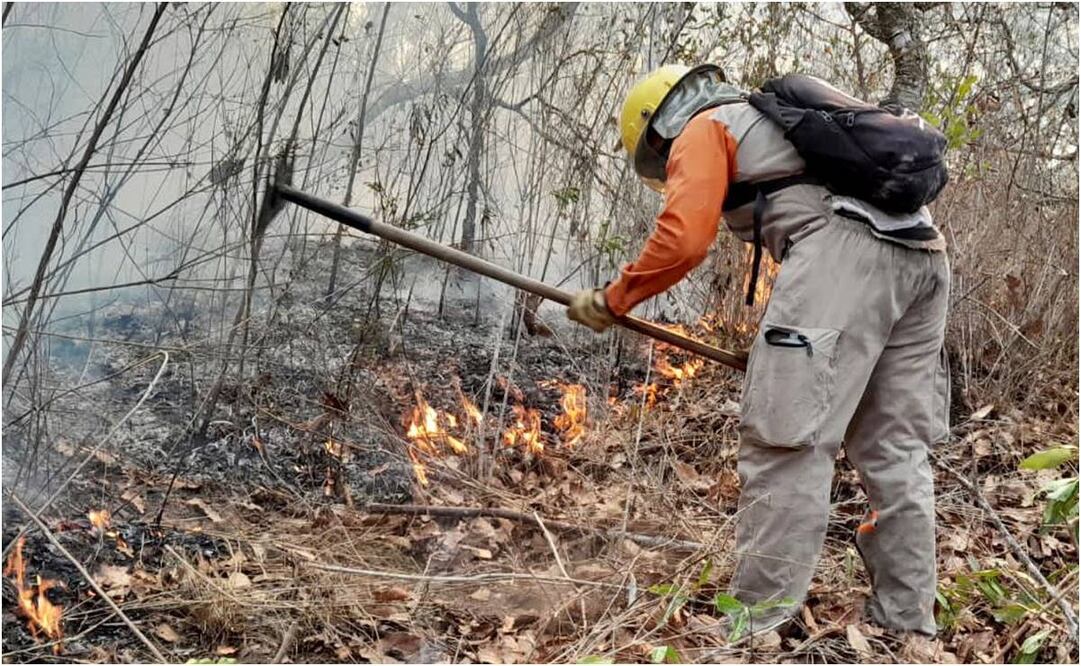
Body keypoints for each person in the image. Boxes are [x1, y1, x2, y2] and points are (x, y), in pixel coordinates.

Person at [567, 64, 951, 637]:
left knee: (785, 442)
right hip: (925, 260)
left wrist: (613, 299)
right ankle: (907, 621)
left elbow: (683, 239)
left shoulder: (705, 126)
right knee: (894, 452)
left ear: (657, 129)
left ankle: (755, 625)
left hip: (846, 258)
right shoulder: (774, 124)